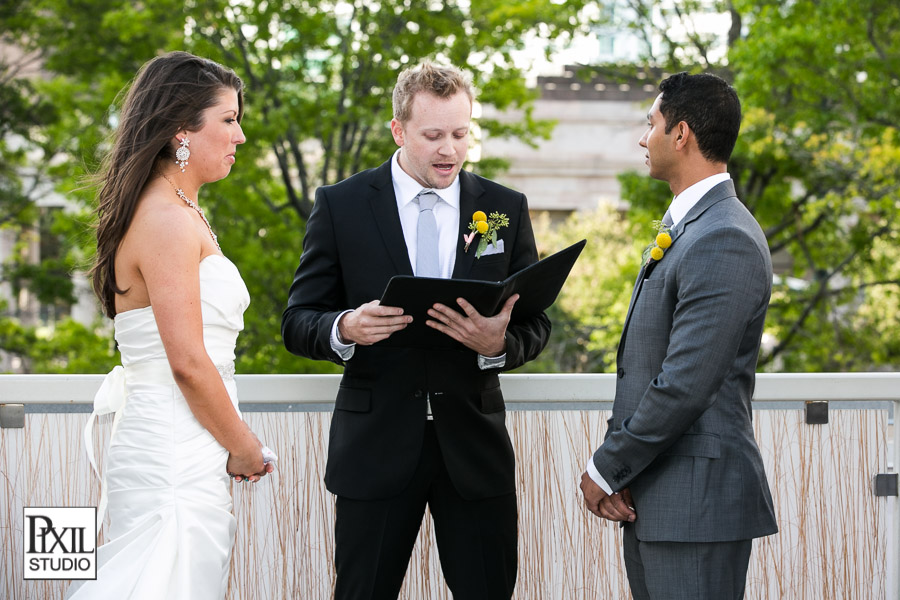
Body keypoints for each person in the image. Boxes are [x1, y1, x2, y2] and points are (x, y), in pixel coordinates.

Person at [282, 61, 550, 599]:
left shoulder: (503, 208)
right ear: (398, 131)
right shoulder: (341, 205)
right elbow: (297, 321)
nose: (450, 150)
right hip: (374, 448)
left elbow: (535, 321)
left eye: (460, 134)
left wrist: (498, 345)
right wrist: (346, 327)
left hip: (474, 451)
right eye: (433, 136)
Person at [66, 51, 274, 600]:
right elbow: (187, 362)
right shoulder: (166, 221)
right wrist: (244, 446)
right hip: (174, 453)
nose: (240, 135)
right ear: (182, 129)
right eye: (228, 119)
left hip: (189, 445)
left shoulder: (180, 212)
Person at [578, 72, 778, 599]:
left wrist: (607, 466)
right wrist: (627, 471)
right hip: (660, 500)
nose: (643, 139)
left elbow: (685, 383)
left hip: (697, 507)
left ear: (681, 133)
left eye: (651, 124)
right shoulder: (693, 227)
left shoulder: (724, 236)